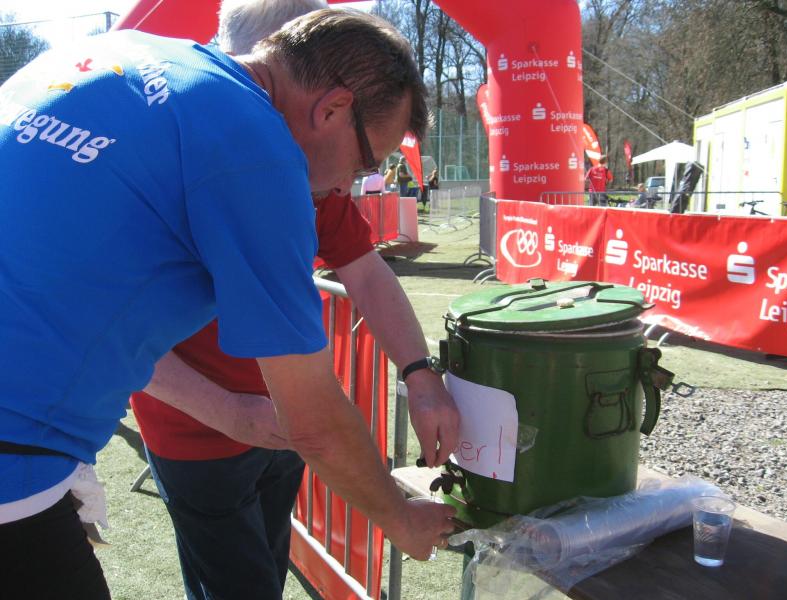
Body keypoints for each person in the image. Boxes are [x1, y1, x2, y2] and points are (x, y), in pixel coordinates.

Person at [0, 9, 456, 599]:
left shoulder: (130, 51)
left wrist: (418, 374)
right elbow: (313, 419)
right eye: (366, 162)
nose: (350, 185)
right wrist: (400, 518)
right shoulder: (256, 151)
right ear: (333, 109)